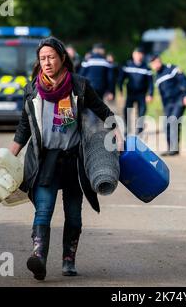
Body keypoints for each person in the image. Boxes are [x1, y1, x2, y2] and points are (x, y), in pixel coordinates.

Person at [8, 37, 122, 281]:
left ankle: (68, 260)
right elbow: (23, 127)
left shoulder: (79, 86)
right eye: (42, 59)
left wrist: (117, 134)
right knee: (43, 210)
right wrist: (8, 158)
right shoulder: (31, 90)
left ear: (62, 58)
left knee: (73, 214)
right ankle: (38, 258)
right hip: (45, 160)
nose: (47, 62)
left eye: (51, 57)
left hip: (73, 159)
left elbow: (104, 111)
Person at [149, 55, 186, 156]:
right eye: (153, 63)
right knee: (166, 125)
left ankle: (174, 149)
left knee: (174, 122)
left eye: (157, 62)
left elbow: (185, 81)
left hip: (178, 100)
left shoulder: (171, 69)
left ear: (160, 61)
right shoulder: (157, 77)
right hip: (167, 105)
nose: (156, 65)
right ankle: (170, 148)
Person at [118, 47, 154, 135]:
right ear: (133, 55)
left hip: (142, 94)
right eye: (136, 54)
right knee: (127, 111)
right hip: (130, 93)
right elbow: (121, 78)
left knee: (142, 111)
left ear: (143, 55)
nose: (138, 56)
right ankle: (127, 128)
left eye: (140, 54)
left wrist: (150, 94)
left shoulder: (147, 68)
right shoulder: (127, 65)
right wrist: (120, 89)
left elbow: (150, 83)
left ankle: (140, 129)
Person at [78, 43, 115, 128]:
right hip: (101, 88)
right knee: (97, 105)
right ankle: (95, 125)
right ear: (101, 50)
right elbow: (110, 78)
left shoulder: (87, 61)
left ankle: (92, 126)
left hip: (88, 87)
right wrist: (110, 91)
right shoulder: (106, 62)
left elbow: (80, 74)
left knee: (90, 106)